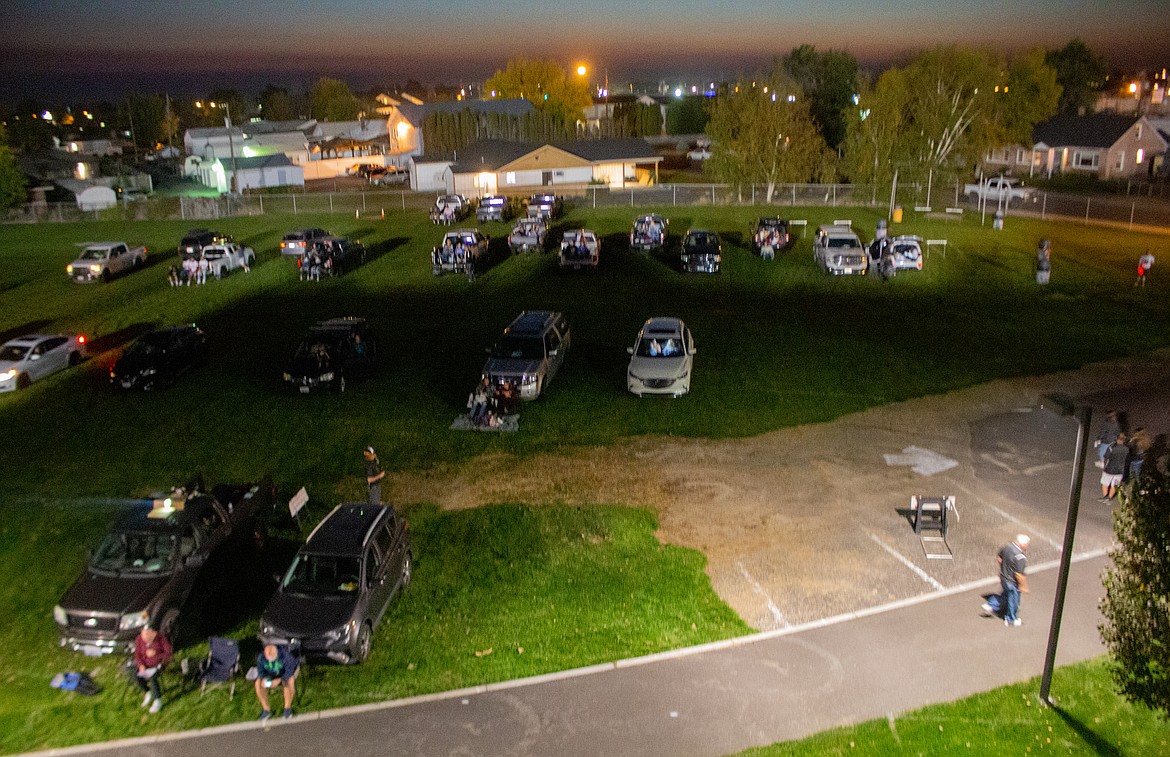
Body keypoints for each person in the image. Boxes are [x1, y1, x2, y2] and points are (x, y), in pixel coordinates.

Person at [981, 534, 1030, 626]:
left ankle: (991, 605)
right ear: (1023, 544)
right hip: (1012, 581)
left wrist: (1003, 569)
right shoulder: (1020, 557)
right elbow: (1019, 574)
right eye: (1027, 544)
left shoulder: (1007, 547)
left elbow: (999, 558)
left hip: (1004, 577)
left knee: (1005, 595)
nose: (1027, 546)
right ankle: (1011, 619)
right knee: (1013, 600)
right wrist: (1023, 586)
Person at [132, 625, 172, 713]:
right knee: (135, 675)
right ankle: (147, 692)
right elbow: (137, 655)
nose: (145, 640)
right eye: (144, 637)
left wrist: (156, 655)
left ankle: (158, 700)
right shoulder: (139, 639)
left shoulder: (161, 638)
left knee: (153, 677)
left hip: (158, 665)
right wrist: (141, 665)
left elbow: (168, 653)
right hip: (145, 665)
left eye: (147, 637)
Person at [254, 643, 298, 720]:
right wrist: (265, 680)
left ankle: (287, 709)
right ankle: (266, 710)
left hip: (284, 674)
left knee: (289, 681)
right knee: (258, 683)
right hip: (271, 675)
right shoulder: (261, 658)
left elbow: (289, 671)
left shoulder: (286, 655)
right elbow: (261, 672)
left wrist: (279, 680)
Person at [1100, 433, 1129, 502]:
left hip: (1109, 469)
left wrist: (1104, 466)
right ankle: (1110, 497)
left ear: (1117, 439)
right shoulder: (1127, 449)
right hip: (1120, 471)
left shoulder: (1111, 447)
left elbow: (1106, 457)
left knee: (1105, 483)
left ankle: (1105, 497)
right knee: (1114, 485)